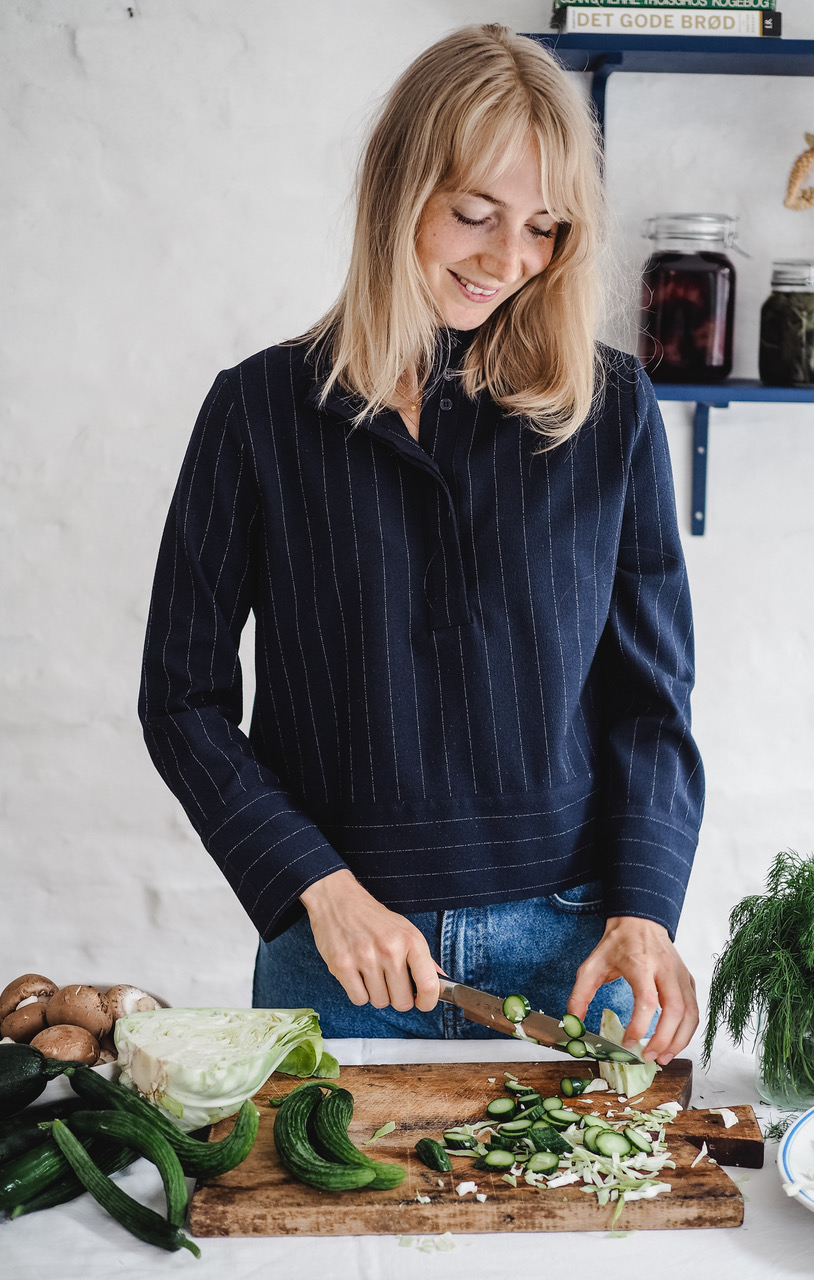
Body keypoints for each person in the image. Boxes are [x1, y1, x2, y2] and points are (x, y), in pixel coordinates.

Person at [139, 24, 704, 1065]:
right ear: (400, 191)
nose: (508, 259)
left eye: (544, 227)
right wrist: (319, 887)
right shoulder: (257, 412)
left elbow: (649, 697)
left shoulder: (611, 407)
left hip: (574, 955)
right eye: (476, 213)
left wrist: (646, 907)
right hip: (336, 951)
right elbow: (181, 696)